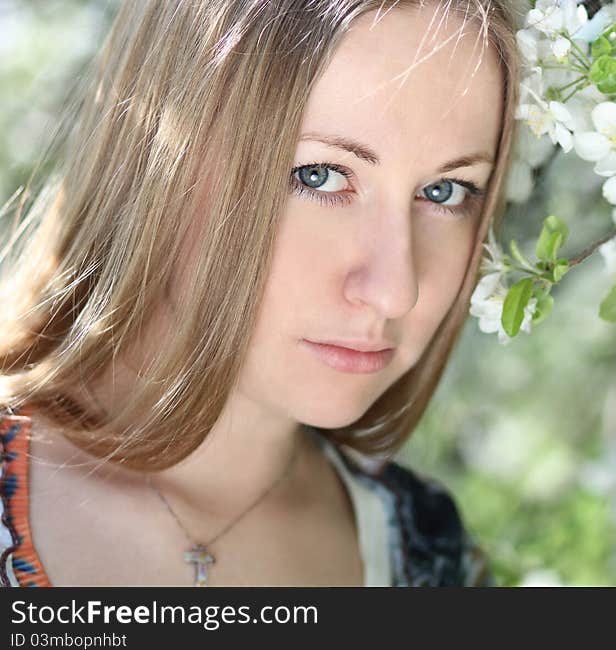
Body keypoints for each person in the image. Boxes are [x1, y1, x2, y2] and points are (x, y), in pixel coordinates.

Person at [0, 0, 519, 587]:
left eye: (447, 191)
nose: (394, 291)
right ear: (159, 162)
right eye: (318, 175)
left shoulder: (432, 553)